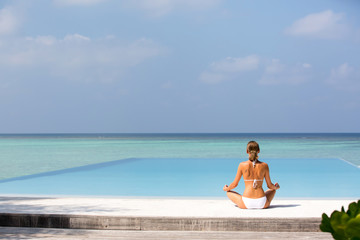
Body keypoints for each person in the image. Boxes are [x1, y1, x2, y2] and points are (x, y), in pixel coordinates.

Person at [223, 141, 280, 209]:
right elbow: (269, 185)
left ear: (247, 151)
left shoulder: (242, 165)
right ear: (258, 151)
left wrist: (226, 188)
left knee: (228, 192)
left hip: (246, 202)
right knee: (273, 190)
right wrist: (276, 187)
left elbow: (234, 184)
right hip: (262, 202)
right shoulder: (265, 165)